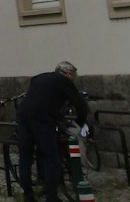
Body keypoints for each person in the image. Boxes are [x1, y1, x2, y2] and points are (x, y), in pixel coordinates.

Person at [16, 61, 89, 202]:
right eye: (73, 76)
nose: (73, 79)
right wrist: (80, 122)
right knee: (52, 159)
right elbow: (80, 104)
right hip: (42, 119)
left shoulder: (39, 77)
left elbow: (41, 95)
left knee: (25, 157)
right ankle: (51, 197)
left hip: (23, 115)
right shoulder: (64, 81)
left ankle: (28, 195)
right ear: (69, 74)